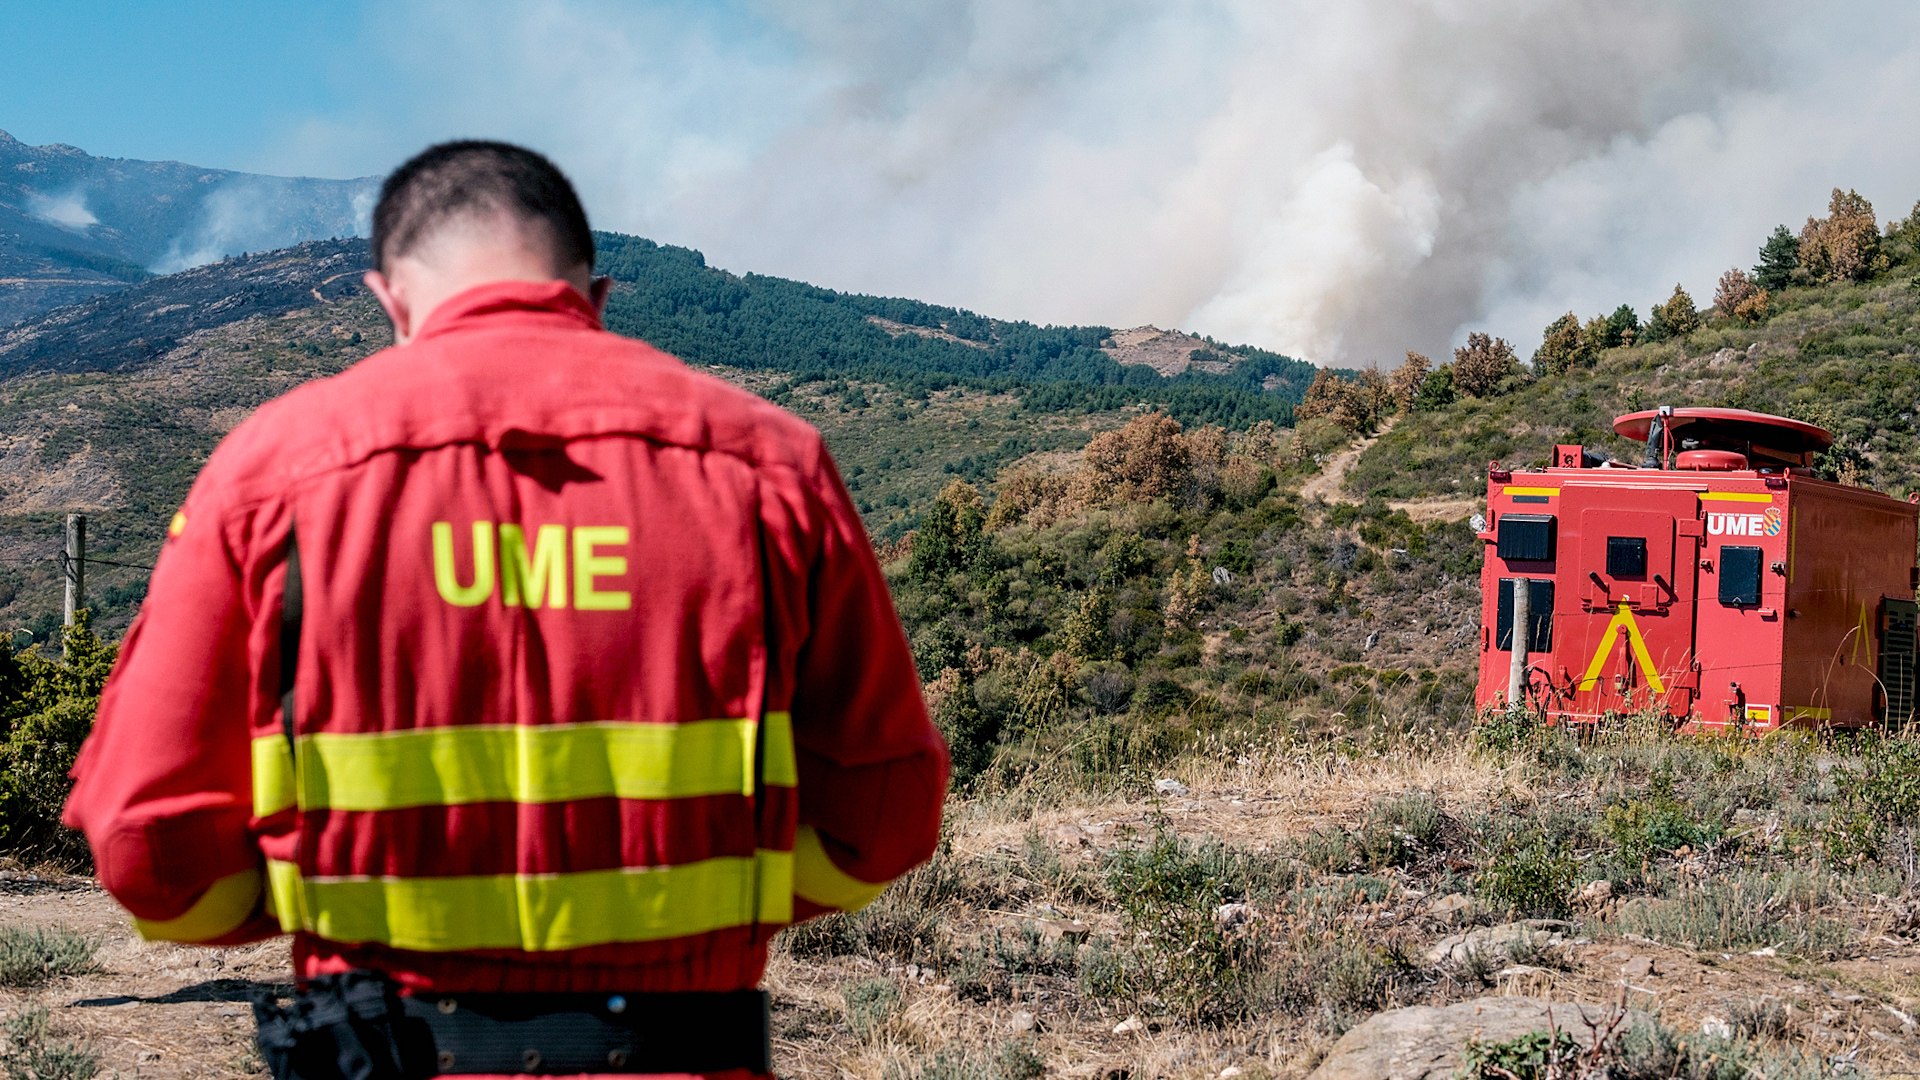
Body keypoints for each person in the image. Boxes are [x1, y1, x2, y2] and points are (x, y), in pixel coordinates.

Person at [62, 141, 950, 1079]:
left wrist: (318, 897)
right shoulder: (769, 465)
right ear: (595, 300)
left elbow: (149, 852)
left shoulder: (270, 474)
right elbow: (883, 817)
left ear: (390, 303)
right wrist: (717, 899)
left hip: (382, 1051)